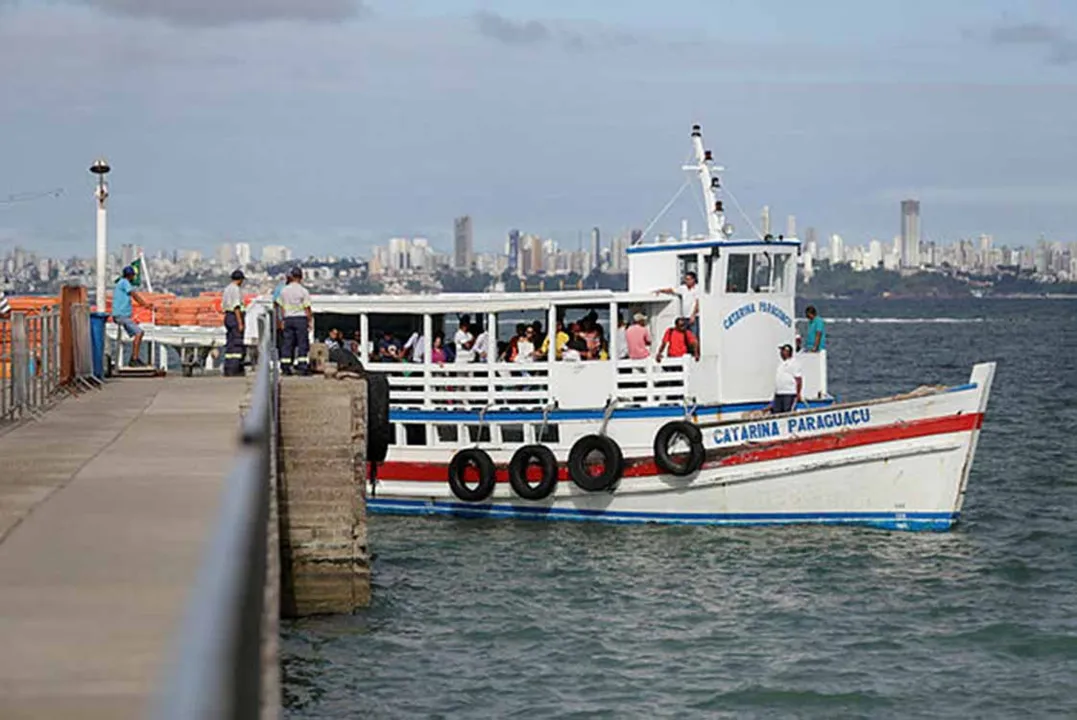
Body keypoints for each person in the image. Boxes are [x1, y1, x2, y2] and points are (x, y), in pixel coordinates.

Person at [113, 265, 153, 366]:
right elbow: (134, 295)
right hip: (121, 315)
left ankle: (134, 358)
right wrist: (145, 305)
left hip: (122, 315)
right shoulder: (125, 283)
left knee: (137, 334)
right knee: (139, 333)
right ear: (130, 276)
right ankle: (134, 359)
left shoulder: (121, 283)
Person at [276, 266, 313, 375]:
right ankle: (302, 366)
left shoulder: (284, 291)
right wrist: (310, 320)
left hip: (288, 318)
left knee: (287, 343)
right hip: (300, 318)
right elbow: (307, 307)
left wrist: (282, 319)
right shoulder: (303, 291)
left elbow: (281, 306)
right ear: (300, 277)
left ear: (291, 277)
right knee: (302, 343)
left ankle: (286, 366)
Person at [658, 271, 701, 339]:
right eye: (686, 279)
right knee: (686, 336)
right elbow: (672, 290)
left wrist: (693, 315)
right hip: (685, 316)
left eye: (689, 279)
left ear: (693, 280)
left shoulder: (698, 288)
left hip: (694, 317)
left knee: (693, 336)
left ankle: (695, 349)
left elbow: (698, 302)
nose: (687, 281)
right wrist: (660, 290)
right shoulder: (683, 288)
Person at [221, 269, 246, 377]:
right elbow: (236, 306)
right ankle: (234, 369)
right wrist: (240, 322)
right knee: (237, 344)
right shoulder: (236, 289)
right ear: (240, 280)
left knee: (230, 344)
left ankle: (228, 368)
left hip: (227, 316)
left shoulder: (227, 289)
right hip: (234, 316)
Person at [771, 343, 803, 413]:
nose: (781, 353)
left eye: (783, 351)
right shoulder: (781, 364)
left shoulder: (794, 363)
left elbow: (799, 380)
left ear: (787, 352)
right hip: (779, 393)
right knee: (776, 412)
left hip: (789, 393)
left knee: (787, 412)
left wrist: (798, 394)